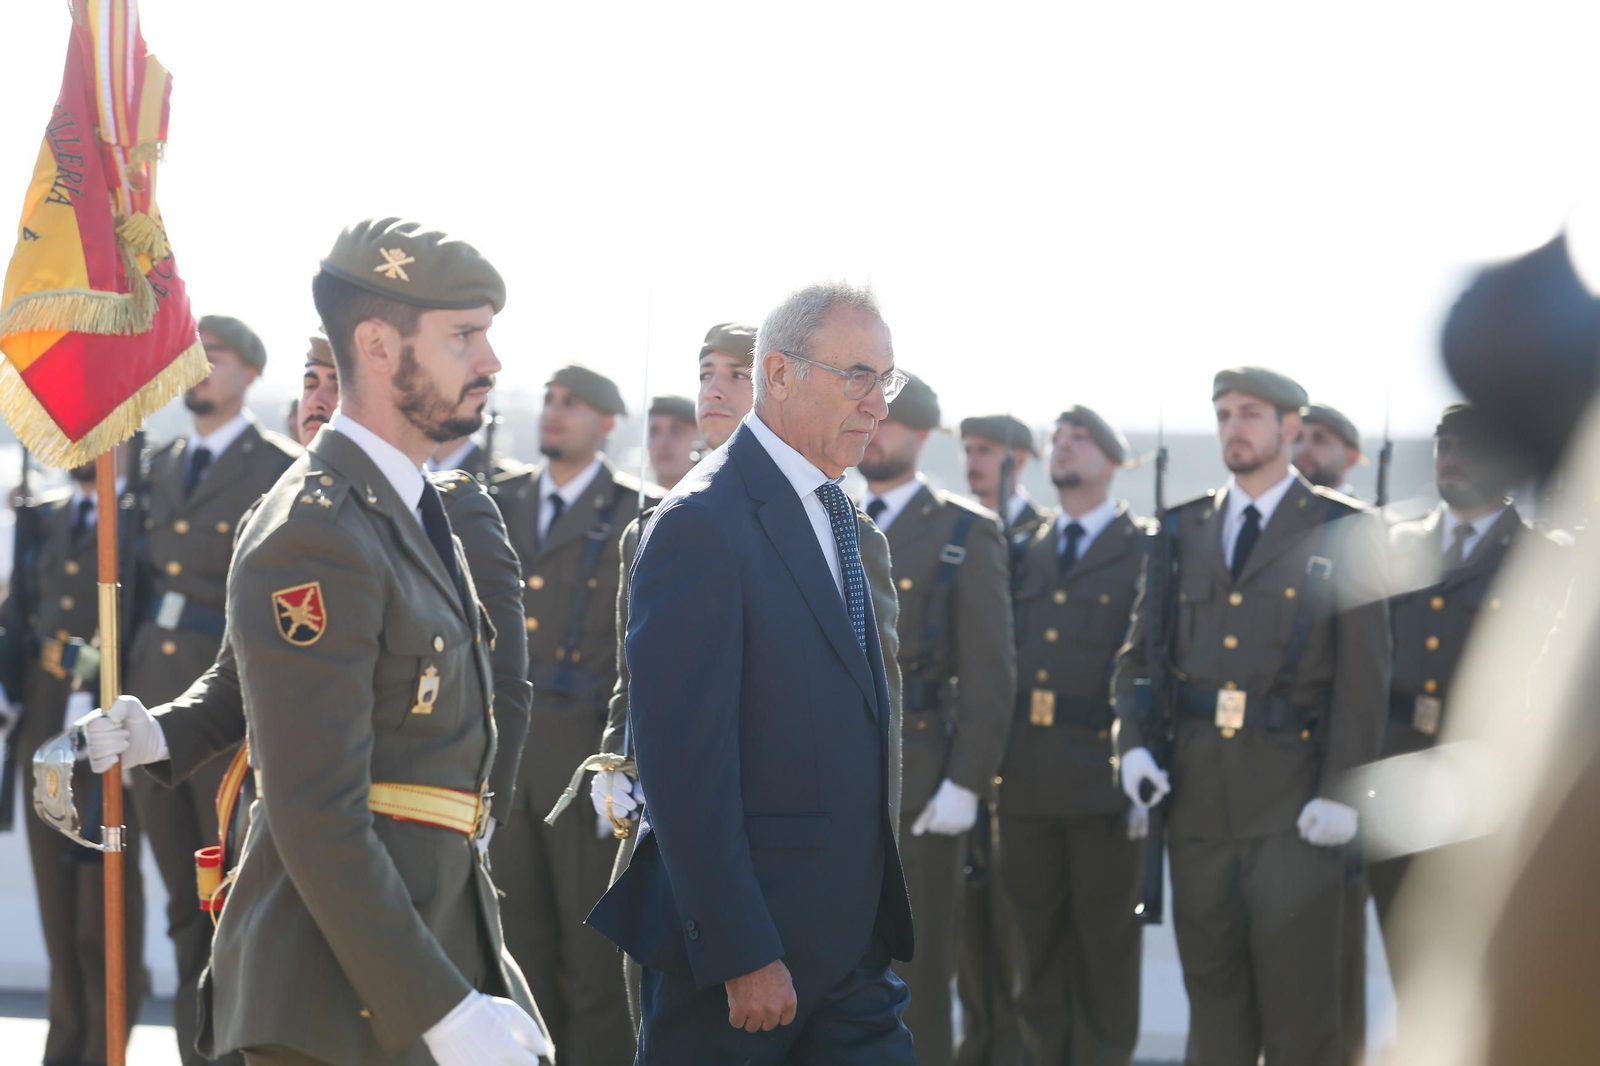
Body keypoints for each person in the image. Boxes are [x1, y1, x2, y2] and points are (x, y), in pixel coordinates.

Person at [195, 217, 547, 1065]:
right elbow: (316, 813)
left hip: (421, 960)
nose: (491, 362)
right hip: (338, 1006)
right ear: (381, 346)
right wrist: (445, 1013)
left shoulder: (416, 511)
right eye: (464, 336)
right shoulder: (316, 532)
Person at [82, 330, 534, 946]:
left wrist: (479, 816)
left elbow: (502, 683)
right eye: (310, 382)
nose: (319, 400)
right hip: (280, 843)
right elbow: (235, 681)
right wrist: (156, 733)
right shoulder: (268, 518)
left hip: (407, 845)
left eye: (338, 385)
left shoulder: (452, 512)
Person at [588, 282, 916, 1063]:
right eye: (858, 376)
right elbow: (685, 766)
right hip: (746, 967)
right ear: (779, 374)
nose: (877, 404)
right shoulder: (703, 522)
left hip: (852, 955)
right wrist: (740, 951)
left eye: (887, 381)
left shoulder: (843, 520)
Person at [1114, 367, 1390, 1066]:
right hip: (1199, 804)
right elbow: (1137, 659)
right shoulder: (1182, 528)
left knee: (1301, 1017)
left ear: (1290, 427)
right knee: (1215, 1010)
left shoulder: (1342, 528)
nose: (1233, 427)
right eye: (1224, 414)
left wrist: (1342, 792)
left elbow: (1364, 679)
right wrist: (1135, 746)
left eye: (1250, 414)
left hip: (1295, 809)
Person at [123, 313, 298, 1066]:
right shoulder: (158, 463)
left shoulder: (278, 466)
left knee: (228, 898)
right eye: (190, 357)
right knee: (177, 906)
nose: (198, 370)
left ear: (251, 373)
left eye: (214, 357)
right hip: (155, 695)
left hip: (225, 706)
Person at [1365, 403, 1565, 984]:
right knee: (1407, 967)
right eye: (1443, 445)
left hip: (1483, 793)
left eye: (1467, 446)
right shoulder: (1395, 545)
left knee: (1479, 974)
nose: (1450, 459)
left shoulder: (1540, 558)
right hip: (1397, 779)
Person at [490, 364, 654, 1065]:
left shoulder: (636, 513)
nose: (554, 414)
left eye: (574, 405)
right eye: (550, 401)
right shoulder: (500, 500)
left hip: (585, 767)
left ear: (608, 423)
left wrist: (624, 763)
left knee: (592, 966)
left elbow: (645, 656)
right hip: (507, 757)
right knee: (516, 954)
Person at [856, 371, 1014, 1066]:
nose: (873, 433)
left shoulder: (962, 531)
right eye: (866, 419)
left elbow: (990, 672)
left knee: (917, 976)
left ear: (920, 436)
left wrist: (966, 783)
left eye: (888, 422)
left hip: (920, 778)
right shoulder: (827, 512)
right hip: (831, 777)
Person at [1000, 406, 1148, 1065]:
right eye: (1057, 439)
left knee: (1105, 954)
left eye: (1080, 439)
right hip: (1025, 778)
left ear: (1113, 460)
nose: (1063, 449)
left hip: (1102, 777)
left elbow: (1151, 664)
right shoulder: (1023, 546)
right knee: (1033, 953)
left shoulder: (1144, 547)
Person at [5, 456, 147, 1065]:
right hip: (44, 721)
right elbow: (17, 620)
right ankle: (63, 1051)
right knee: (58, 917)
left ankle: (103, 1050)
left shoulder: (141, 518)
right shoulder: (42, 519)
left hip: (110, 734)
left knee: (102, 917)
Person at [1294, 403, 1364, 494]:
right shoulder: (1276, 506)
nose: (1302, 449)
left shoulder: (1352, 509)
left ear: (1351, 457)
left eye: (1319, 440)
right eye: (1297, 438)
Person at [645, 395, 698, 490]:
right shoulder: (628, 500)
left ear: (698, 437)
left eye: (676, 430)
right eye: (654, 431)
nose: (663, 441)